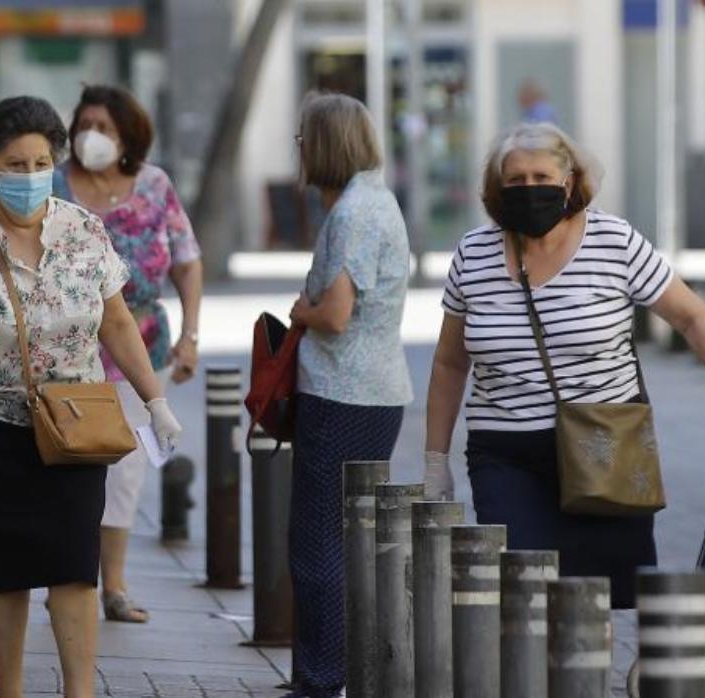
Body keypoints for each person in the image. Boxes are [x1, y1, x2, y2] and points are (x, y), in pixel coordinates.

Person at [422, 122, 705, 609]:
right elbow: (450, 363)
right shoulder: (473, 255)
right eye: (515, 181)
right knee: (524, 589)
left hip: (605, 447)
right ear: (496, 189)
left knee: (607, 592)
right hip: (505, 452)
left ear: (569, 180)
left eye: (541, 177)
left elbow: (692, 317)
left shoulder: (614, 242)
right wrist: (436, 461)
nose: (529, 189)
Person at [0, 95, 183, 698]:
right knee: (1, 574)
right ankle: (8, 691)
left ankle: (78, 692)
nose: (31, 176)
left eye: (41, 162)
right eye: (16, 164)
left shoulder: (85, 232)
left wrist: (155, 399)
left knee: (72, 567)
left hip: (72, 427)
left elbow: (116, 324)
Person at [54, 84, 203, 623]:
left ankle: (112, 584)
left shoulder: (155, 185)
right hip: (65, 356)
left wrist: (190, 335)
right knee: (67, 466)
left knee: (126, 467)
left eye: (104, 127)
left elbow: (186, 260)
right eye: (84, 123)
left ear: (128, 138)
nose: (91, 135)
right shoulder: (52, 185)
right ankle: (66, 577)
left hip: (140, 350)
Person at [285, 92, 413, 698]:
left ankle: (322, 677)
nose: (300, 150)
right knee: (337, 536)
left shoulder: (356, 212)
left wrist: (299, 312)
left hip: (344, 393)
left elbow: (336, 314)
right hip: (369, 389)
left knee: (317, 541)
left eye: (305, 139)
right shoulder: (371, 200)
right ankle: (328, 671)